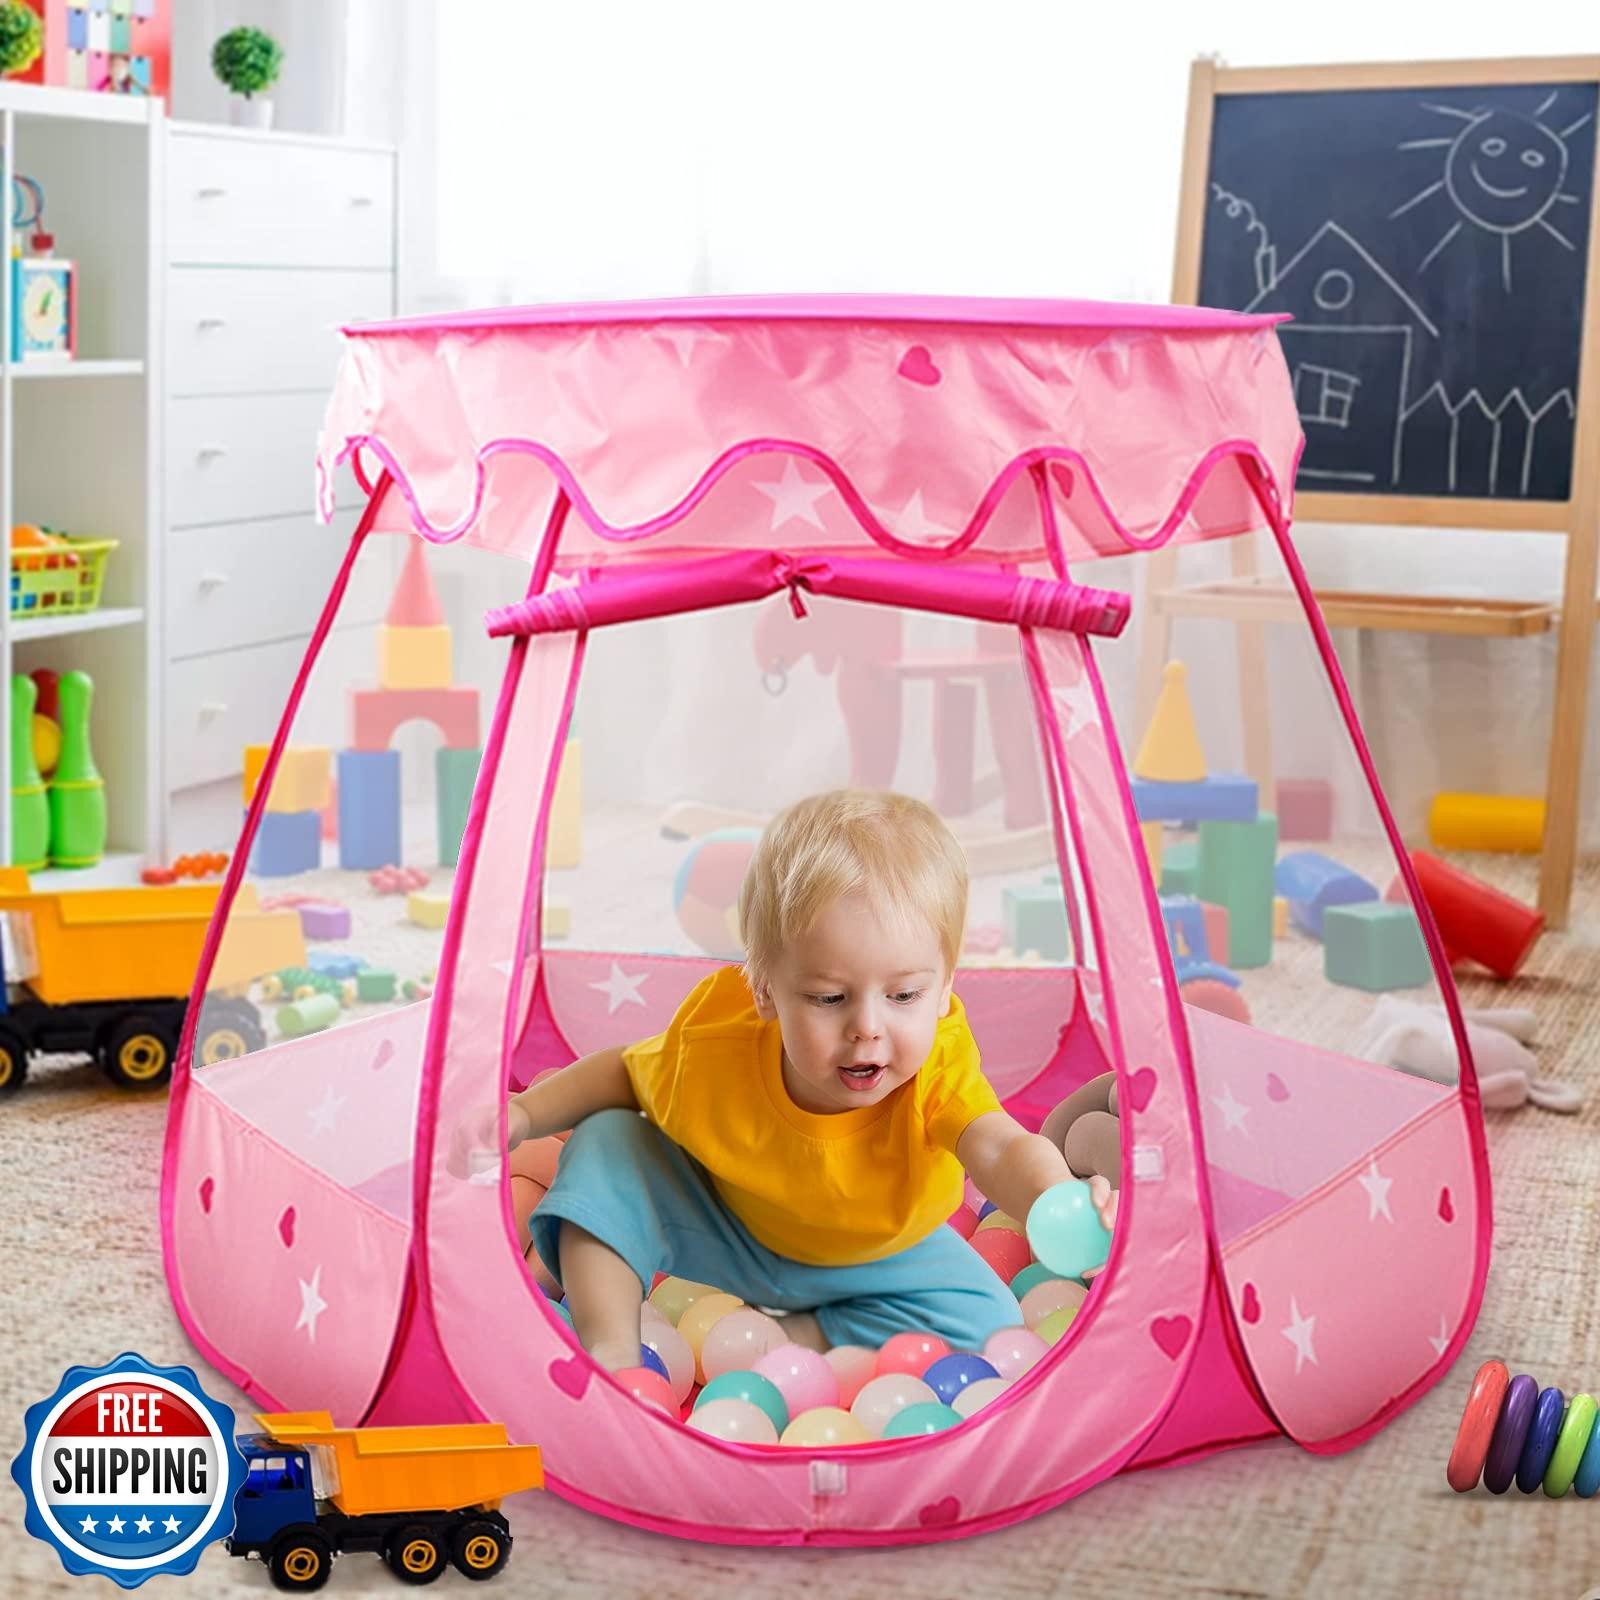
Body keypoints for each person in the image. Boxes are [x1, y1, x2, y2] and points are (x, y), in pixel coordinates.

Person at [507, 789, 1076, 1372]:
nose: (868, 1027)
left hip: (876, 1256)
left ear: (945, 985)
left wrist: (1058, 1198)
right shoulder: (721, 1043)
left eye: (905, 995)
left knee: (996, 1331)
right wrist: (526, 1113)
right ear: (765, 991)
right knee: (610, 1138)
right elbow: (623, 1071)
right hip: (731, 1229)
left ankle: (807, 1332)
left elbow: (1000, 1146)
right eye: (829, 998)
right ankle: (611, 1351)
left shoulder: (938, 1068)